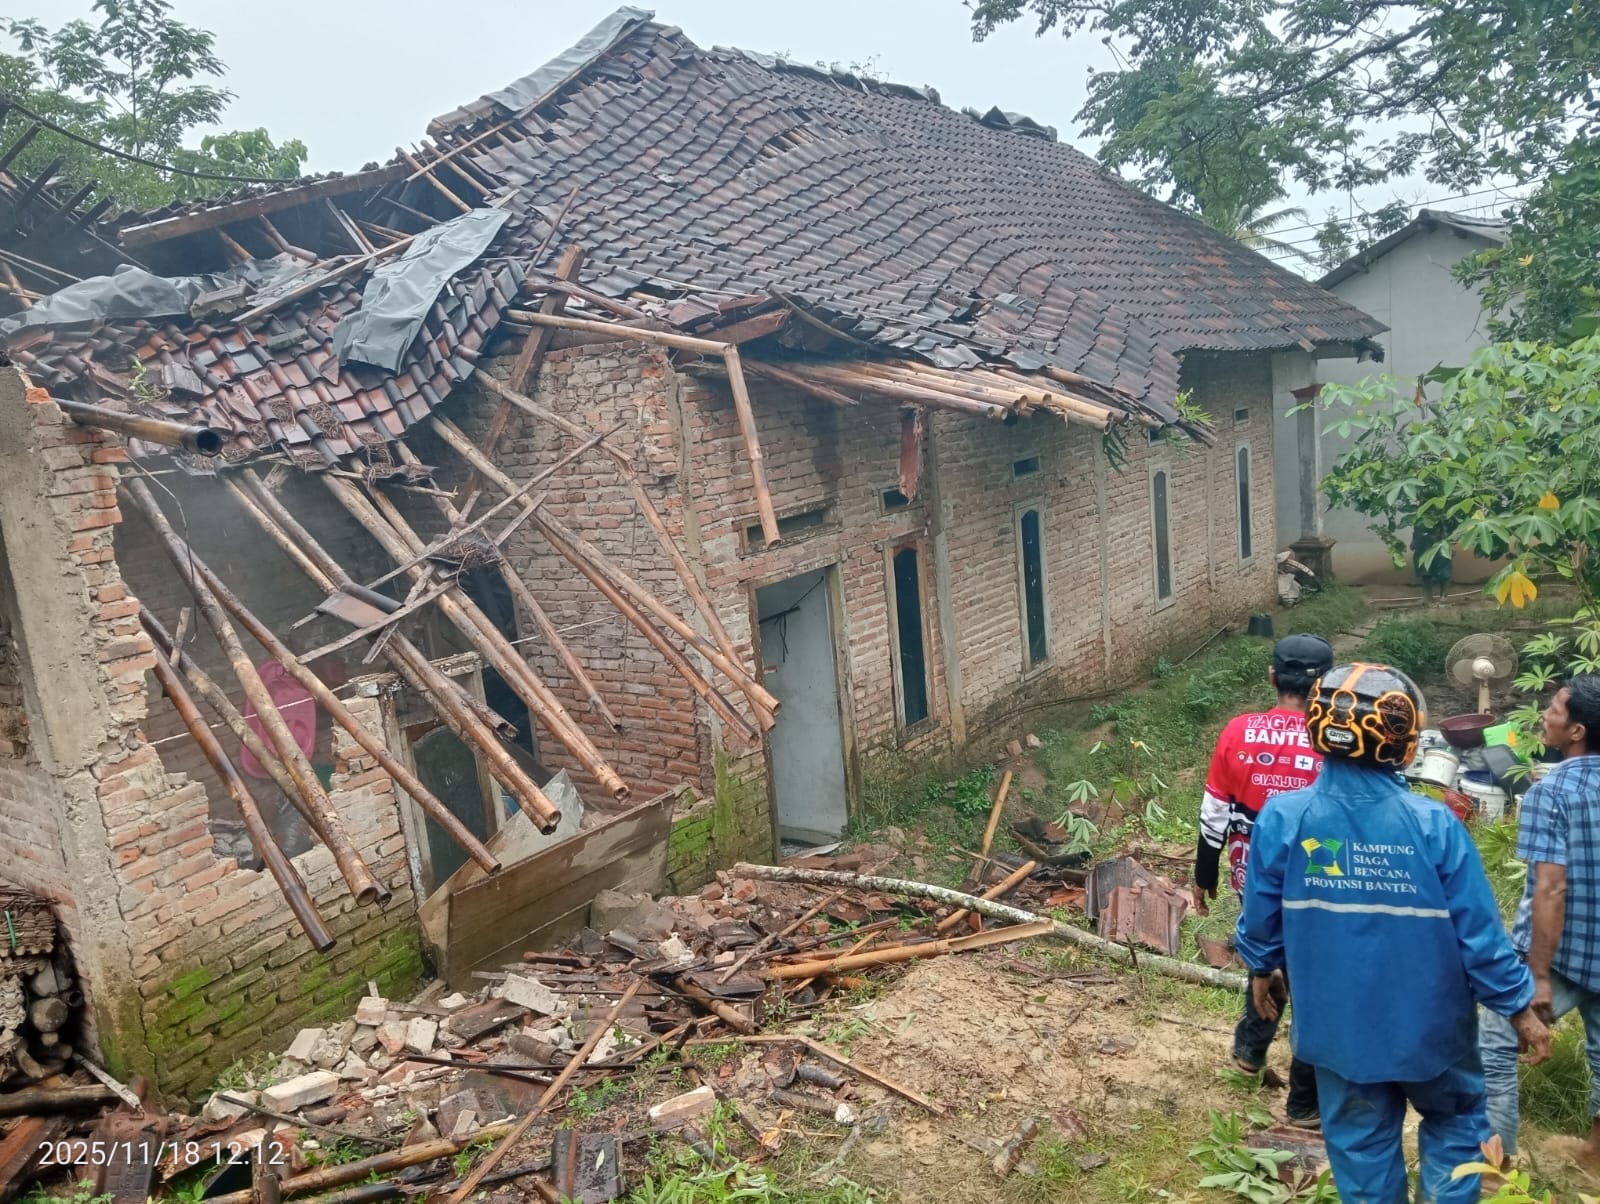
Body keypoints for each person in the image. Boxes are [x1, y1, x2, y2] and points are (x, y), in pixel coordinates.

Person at [1237, 662, 1552, 1204]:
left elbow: (1261, 918)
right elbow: (1480, 936)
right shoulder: (1433, 827)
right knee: (1456, 1130)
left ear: (1318, 728)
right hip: (1433, 1033)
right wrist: (1519, 1008)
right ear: (1403, 741)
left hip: (1338, 1031)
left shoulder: (1284, 819)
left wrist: (1261, 969)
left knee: (1360, 1148)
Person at [1192, 633, 1334, 1128]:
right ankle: (1304, 1102)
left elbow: (1215, 812)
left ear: (1273, 677)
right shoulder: (1336, 737)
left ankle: (1248, 1058)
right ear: (1325, 687)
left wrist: (1203, 871)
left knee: (1265, 960)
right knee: (1312, 980)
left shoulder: (1239, 731)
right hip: (1320, 874)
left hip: (1252, 874)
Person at [1481, 673, 1600, 1171]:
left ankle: (1494, 1168)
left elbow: (1552, 887)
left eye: (1553, 708)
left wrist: (1539, 975)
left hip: (1564, 954)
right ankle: (1595, 1155)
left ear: (1576, 731)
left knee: (1494, 1044)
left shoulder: (1553, 791)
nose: (1545, 715)